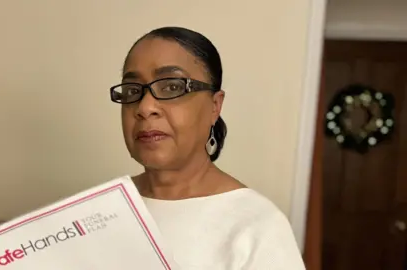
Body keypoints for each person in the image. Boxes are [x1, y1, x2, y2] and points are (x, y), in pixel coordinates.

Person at [109, 26, 306, 269]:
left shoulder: (257, 225)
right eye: (132, 90)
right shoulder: (103, 209)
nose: (145, 107)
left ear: (215, 106)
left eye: (172, 87)